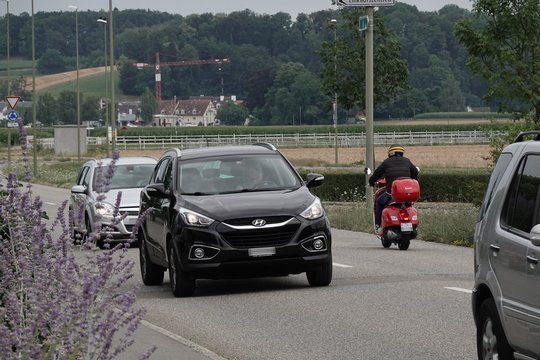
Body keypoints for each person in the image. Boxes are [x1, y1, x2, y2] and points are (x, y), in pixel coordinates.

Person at [368, 144, 418, 235]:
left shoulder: (387, 162)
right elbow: (415, 172)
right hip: (407, 195)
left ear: (390, 153)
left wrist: (371, 182)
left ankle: (378, 225)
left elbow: (376, 174)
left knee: (379, 201)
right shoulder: (407, 161)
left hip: (391, 194)